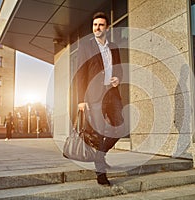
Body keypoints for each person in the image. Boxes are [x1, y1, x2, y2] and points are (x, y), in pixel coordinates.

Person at [76, 12, 124, 186]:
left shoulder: (114, 47)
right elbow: (80, 74)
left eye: (101, 25)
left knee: (120, 127)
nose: (97, 28)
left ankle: (99, 156)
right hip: (94, 95)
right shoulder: (85, 47)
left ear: (107, 28)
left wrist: (118, 79)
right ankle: (100, 171)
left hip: (112, 93)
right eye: (95, 25)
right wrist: (80, 99)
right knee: (98, 132)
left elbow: (119, 70)